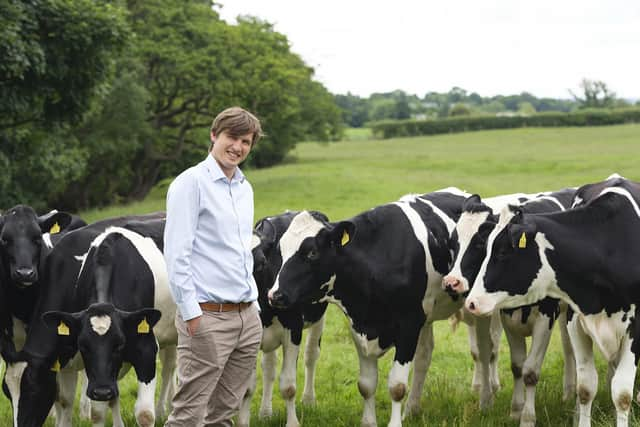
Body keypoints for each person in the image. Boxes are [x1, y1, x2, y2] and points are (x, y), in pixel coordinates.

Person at [163, 106, 264, 426]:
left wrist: (255, 308)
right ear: (214, 135)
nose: (238, 147)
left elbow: (241, 251)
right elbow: (176, 253)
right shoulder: (190, 183)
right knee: (189, 415)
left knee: (223, 413)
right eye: (232, 137)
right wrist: (192, 313)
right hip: (207, 316)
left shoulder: (244, 188)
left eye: (246, 142)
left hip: (246, 317)